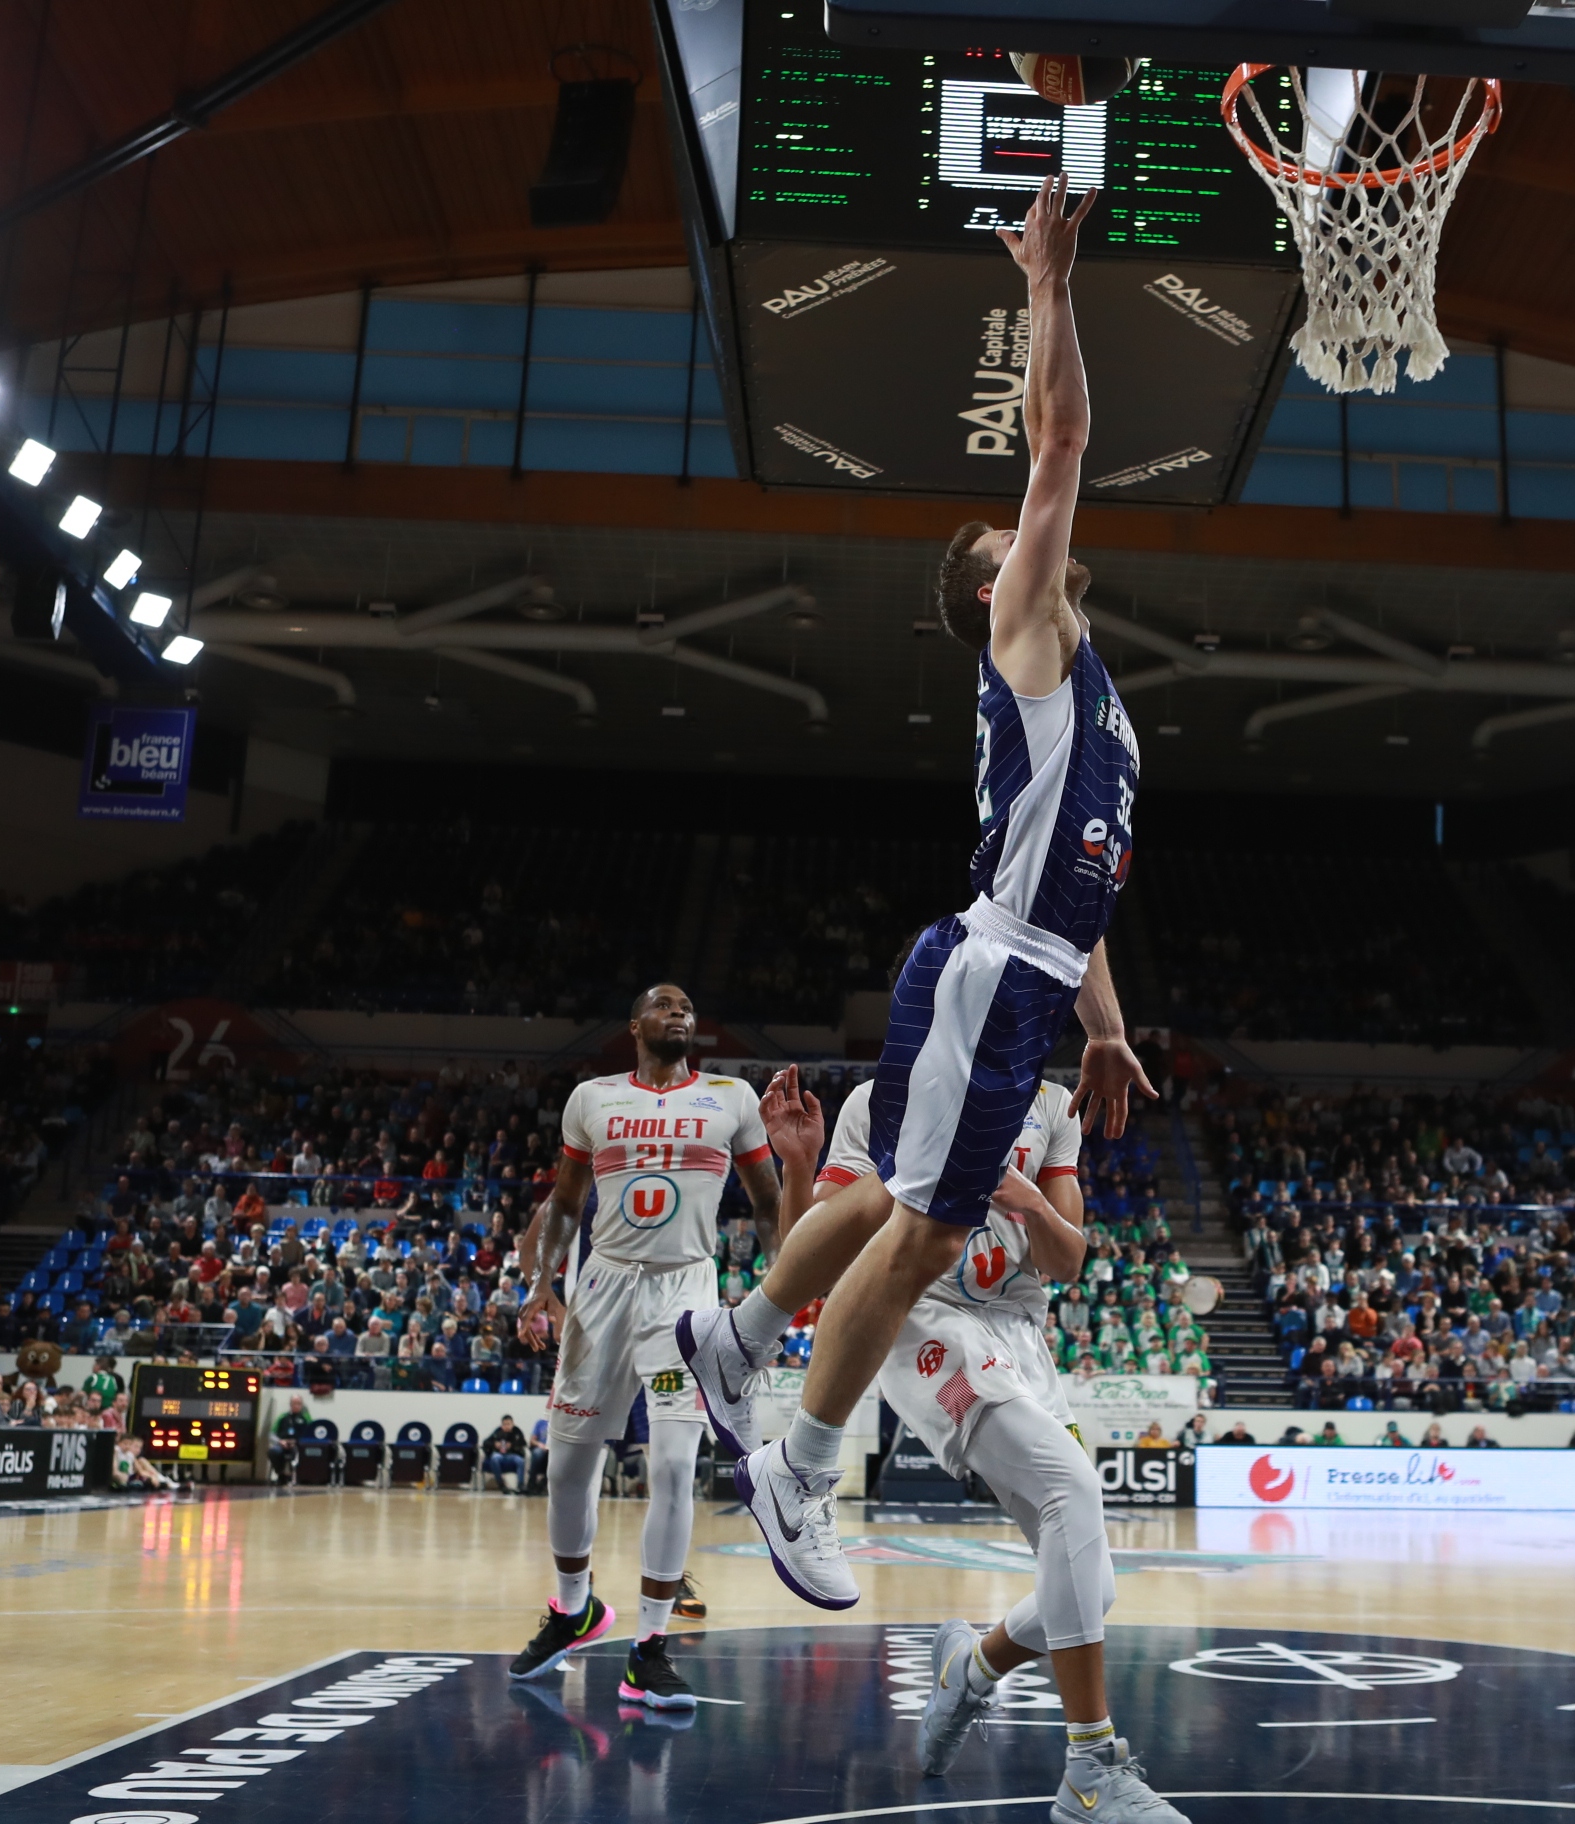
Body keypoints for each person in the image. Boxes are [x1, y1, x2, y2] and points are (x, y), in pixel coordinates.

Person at [714, 177, 1155, 1723]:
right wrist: (1051, 286)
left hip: (1030, 972)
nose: (1030, 536)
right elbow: (1060, 442)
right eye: (1008, 543)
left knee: (895, 1205)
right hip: (990, 966)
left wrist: (1104, 1021)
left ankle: (745, 1342)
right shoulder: (1025, 625)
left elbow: (1081, 886)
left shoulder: (1089, 689)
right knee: (913, 1229)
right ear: (991, 586)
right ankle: (800, 1460)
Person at [771, 1047, 1186, 1824]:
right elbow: (809, 1258)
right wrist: (799, 1168)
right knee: (1072, 1489)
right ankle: (1091, 1769)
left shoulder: (1054, 1108)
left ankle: (971, 1666)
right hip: (924, 1322)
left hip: (1022, 1336)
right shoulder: (878, 1100)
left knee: (1090, 1588)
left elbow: (1068, 1261)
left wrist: (1029, 1197)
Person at [505, 984, 796, 1712]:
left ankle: (650, 1649)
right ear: (635, 1024)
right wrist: (543, 1285)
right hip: (602, 1289)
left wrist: (779, 1296)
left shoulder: (731, 1098)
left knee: (674, 1466)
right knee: (569, 1463)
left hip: (685, 1293)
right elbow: (567, 1204)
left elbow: (766, 1203)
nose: (680, 1011)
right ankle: (574, 1609)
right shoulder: (591, 1098)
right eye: (664, 1004)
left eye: (688, 1005)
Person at [485, 1415, 531, 1493]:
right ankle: (501, 1484)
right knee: (494, 1458)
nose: (506, 1426)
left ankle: (520, 1485)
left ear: (512, 1424)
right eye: (504, 1424)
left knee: (520, 1461)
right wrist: (495, 1444)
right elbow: (486, 1442)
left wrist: (512, 1445)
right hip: (500, 1455)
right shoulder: (497, 1432)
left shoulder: (517, 1432)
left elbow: (523, 1443)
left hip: (513, 1455)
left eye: (508, 1424)